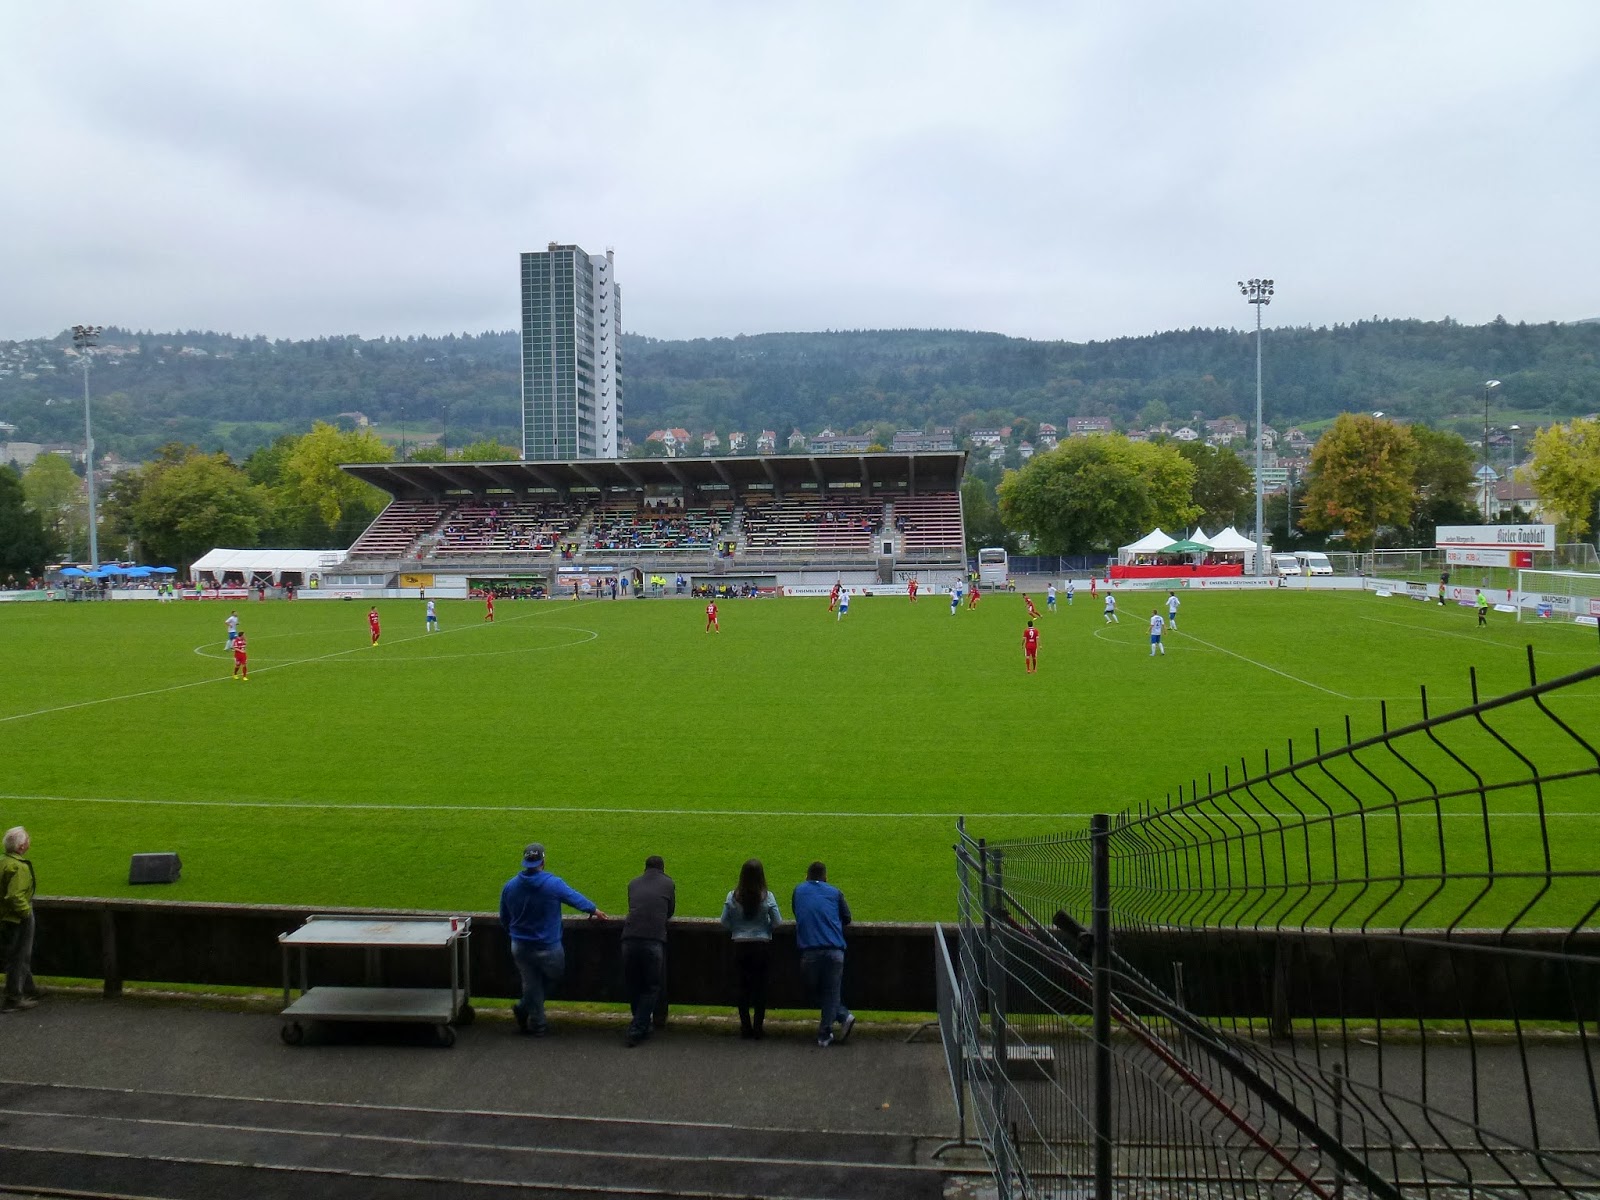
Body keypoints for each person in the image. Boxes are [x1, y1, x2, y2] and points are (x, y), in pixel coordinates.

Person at [498, 842, 607, 1037]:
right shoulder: (552, 884)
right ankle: (525, 1009)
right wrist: (594, 909)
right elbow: (574, 898)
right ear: (543, 861)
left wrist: (514, 934)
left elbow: (504, 918)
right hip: (548, 946)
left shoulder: (510, 886)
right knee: (552, 977)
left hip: (520, 946)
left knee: (531, 983)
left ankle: (536, 1022)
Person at [792, 861, 854, 1047]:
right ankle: (841, 1017)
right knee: (830, 992)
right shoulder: (835, 892)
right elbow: (848, 918)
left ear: (807, 876)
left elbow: (798, 912)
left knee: (819, 990)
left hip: (810, 951)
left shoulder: (799, 890)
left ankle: (826, 1031)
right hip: (835, 950)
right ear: (825, 877)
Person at [722, 858, 781, 1039]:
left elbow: (724, 922)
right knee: (760, 989)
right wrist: (765, 930)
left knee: (742, 989)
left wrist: (737, 931)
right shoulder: (767, 896)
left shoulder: (732, 896)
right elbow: (777, 922)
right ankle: (758, 1029)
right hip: (761, 947)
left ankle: (745, 1027)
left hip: (740, 947)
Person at [621, 855, 675, 1048]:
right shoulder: (668, 884)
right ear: (662, 868)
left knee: (634, 983)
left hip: (629, 937)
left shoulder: (633, 883)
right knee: (652, 986)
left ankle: (642, 1024)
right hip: (653, 938)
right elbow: (670, 911)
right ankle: (637, 1028)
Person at [1, 826, 38, 1013]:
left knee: (16, 954)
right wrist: (26, 913)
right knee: (20, 955)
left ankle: (29, 988)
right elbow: (15, 896)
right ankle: (14, 997)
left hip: (4, 916)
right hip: (16, 917)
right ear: (22, 846)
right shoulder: (20, 867)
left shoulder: (3, 862)